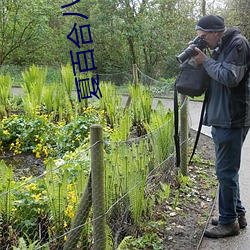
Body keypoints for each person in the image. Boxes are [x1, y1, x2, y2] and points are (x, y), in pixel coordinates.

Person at [192, 15, 250, 238]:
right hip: (222, 117)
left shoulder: (238, 44)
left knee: (225, 171)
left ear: (216, 32)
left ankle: (228, 223)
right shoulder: (221, 46)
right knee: (227, 171)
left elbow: (229, 77)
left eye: (204, 37)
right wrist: (202, 59)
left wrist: (205, 61)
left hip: (232, 118)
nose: (203, 41)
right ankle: (237, 214)